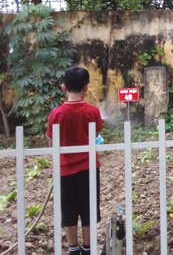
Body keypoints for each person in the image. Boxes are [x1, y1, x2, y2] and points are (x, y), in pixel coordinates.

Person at [47, 66, 103, 255]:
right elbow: (95, 134)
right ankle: (88, 248)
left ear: (64, 87)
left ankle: (73, 248)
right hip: (88, 168)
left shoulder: (56, 114)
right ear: (86, 87)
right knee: (89, 209)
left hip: (64, 170)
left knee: (68, 210)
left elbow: (52, 141)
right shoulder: (93, 112)